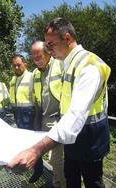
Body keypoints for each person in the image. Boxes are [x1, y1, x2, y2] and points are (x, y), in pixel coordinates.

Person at [9, 17, 111, 188]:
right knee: (71, 180)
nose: (48, 49)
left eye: (50, 44)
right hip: (72, 140)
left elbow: (75, 116)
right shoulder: (67, 63)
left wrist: (36, 149)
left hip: (90, 139)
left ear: (67, 38)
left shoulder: (89, 66)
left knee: (93, 183)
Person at [31, 41, 66, 188]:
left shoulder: (60, 64)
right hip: (45, 120)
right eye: (33, 57)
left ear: (48, 53)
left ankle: (61, 185)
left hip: (59, 120)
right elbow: (37, 99)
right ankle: (57, 182)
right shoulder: (35, 73)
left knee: (56, 159)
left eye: (39, 56)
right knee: (54, 159)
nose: (36, 59)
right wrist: (36, 121)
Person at [9, 55, 43, 183]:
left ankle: (39, 169)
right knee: (23, 142)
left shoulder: (31, 77)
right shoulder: (13, 79)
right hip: (18, 113)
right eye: (14, 65)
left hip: (29, 113)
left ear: (25, 63)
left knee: (33, 144)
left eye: (19, 64)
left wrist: (36, 119)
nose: (17, 67)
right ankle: (29, 165)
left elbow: (37, 98)